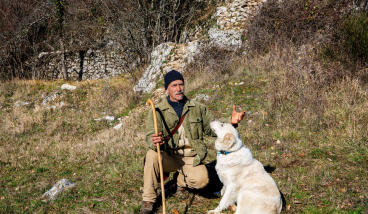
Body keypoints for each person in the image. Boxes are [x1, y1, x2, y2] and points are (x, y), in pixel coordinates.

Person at [140, 70, 245, 214]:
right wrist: (154, 141)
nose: (179, 89)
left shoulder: (197, 108)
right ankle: (148, 200)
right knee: (151, 155)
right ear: (167, 89)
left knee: (202, 181)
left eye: (181, 85)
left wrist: (230, 122)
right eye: (174, 85)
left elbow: (211, 128)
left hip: (191, 158)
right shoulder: (157, 110)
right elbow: (148, 136)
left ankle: (180, 180)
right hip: (168, 155)